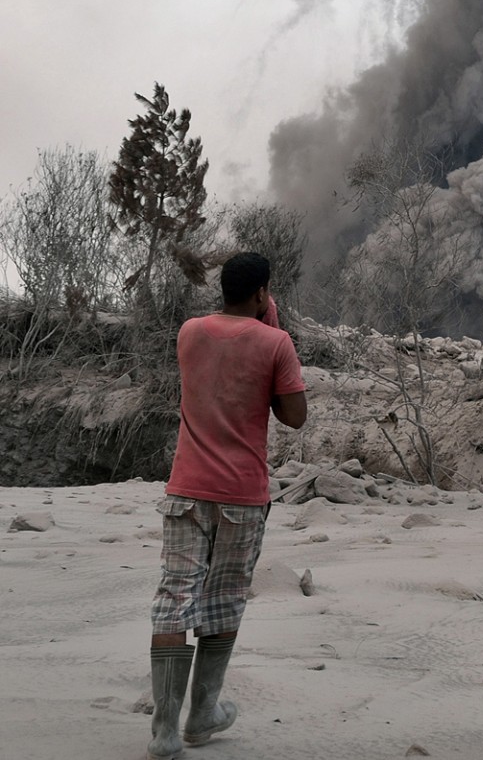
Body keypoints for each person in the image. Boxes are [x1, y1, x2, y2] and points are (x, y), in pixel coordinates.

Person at [146, 252, 307, 758]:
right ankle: (203, 714)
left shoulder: (190, 332)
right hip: (241, 495)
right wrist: (275, 329)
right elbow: (294, 416)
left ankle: (165, 731)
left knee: (175, 599)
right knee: (224, 600)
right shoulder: (275, 341)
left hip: (185, 490)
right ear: (263, 293)